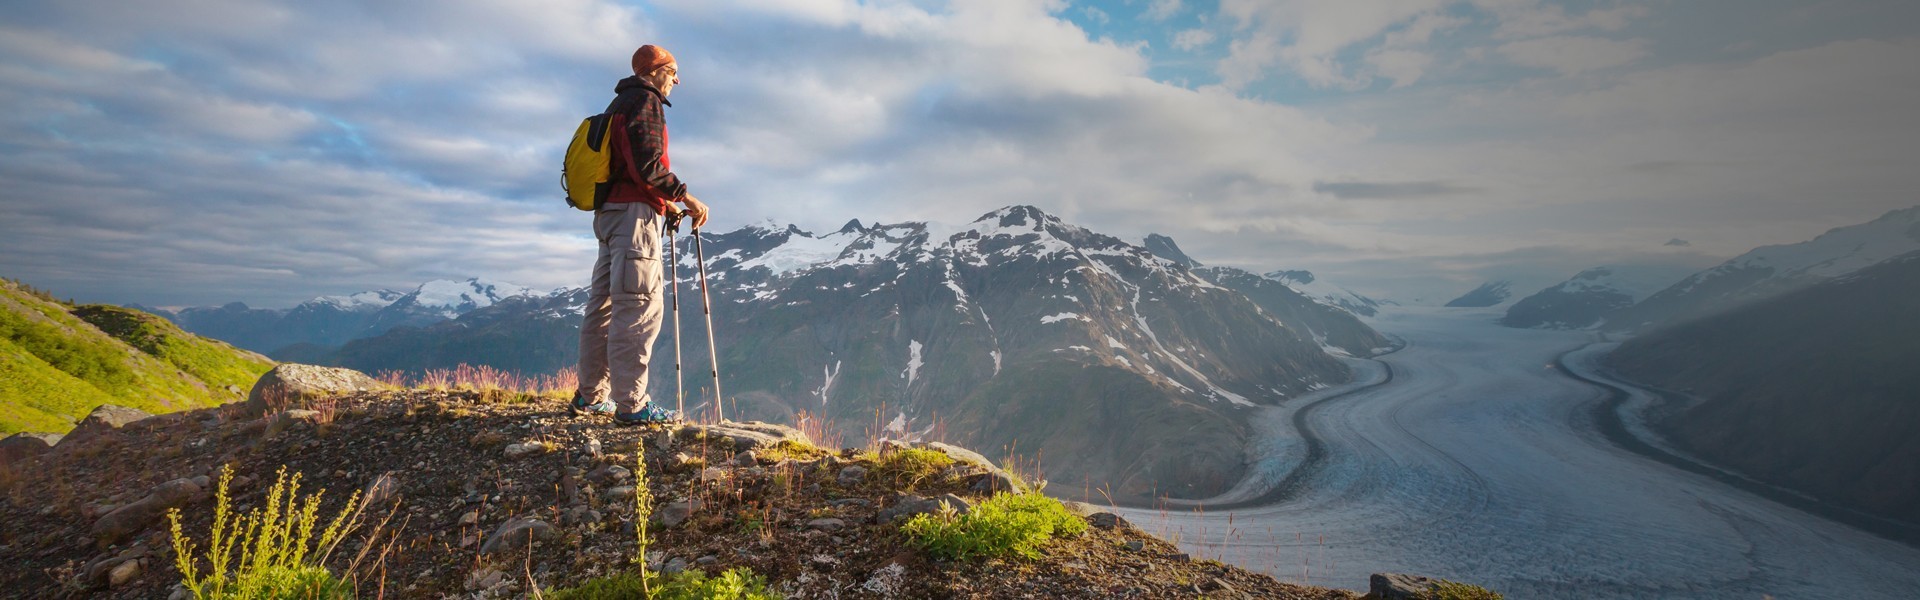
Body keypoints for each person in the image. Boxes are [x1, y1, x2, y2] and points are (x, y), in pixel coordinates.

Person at [572, 44, 710, 425]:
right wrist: (688, 199)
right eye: (673, 71)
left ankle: (591, 395)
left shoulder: (618, 105)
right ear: (653, 71)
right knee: (638, 305)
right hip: (634, 220)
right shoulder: (645, 103)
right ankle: (632, 405)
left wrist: (666, 205)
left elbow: (631, 168)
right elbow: (648, 167)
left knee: (602, 306)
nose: (677, 80)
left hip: (610, 216)